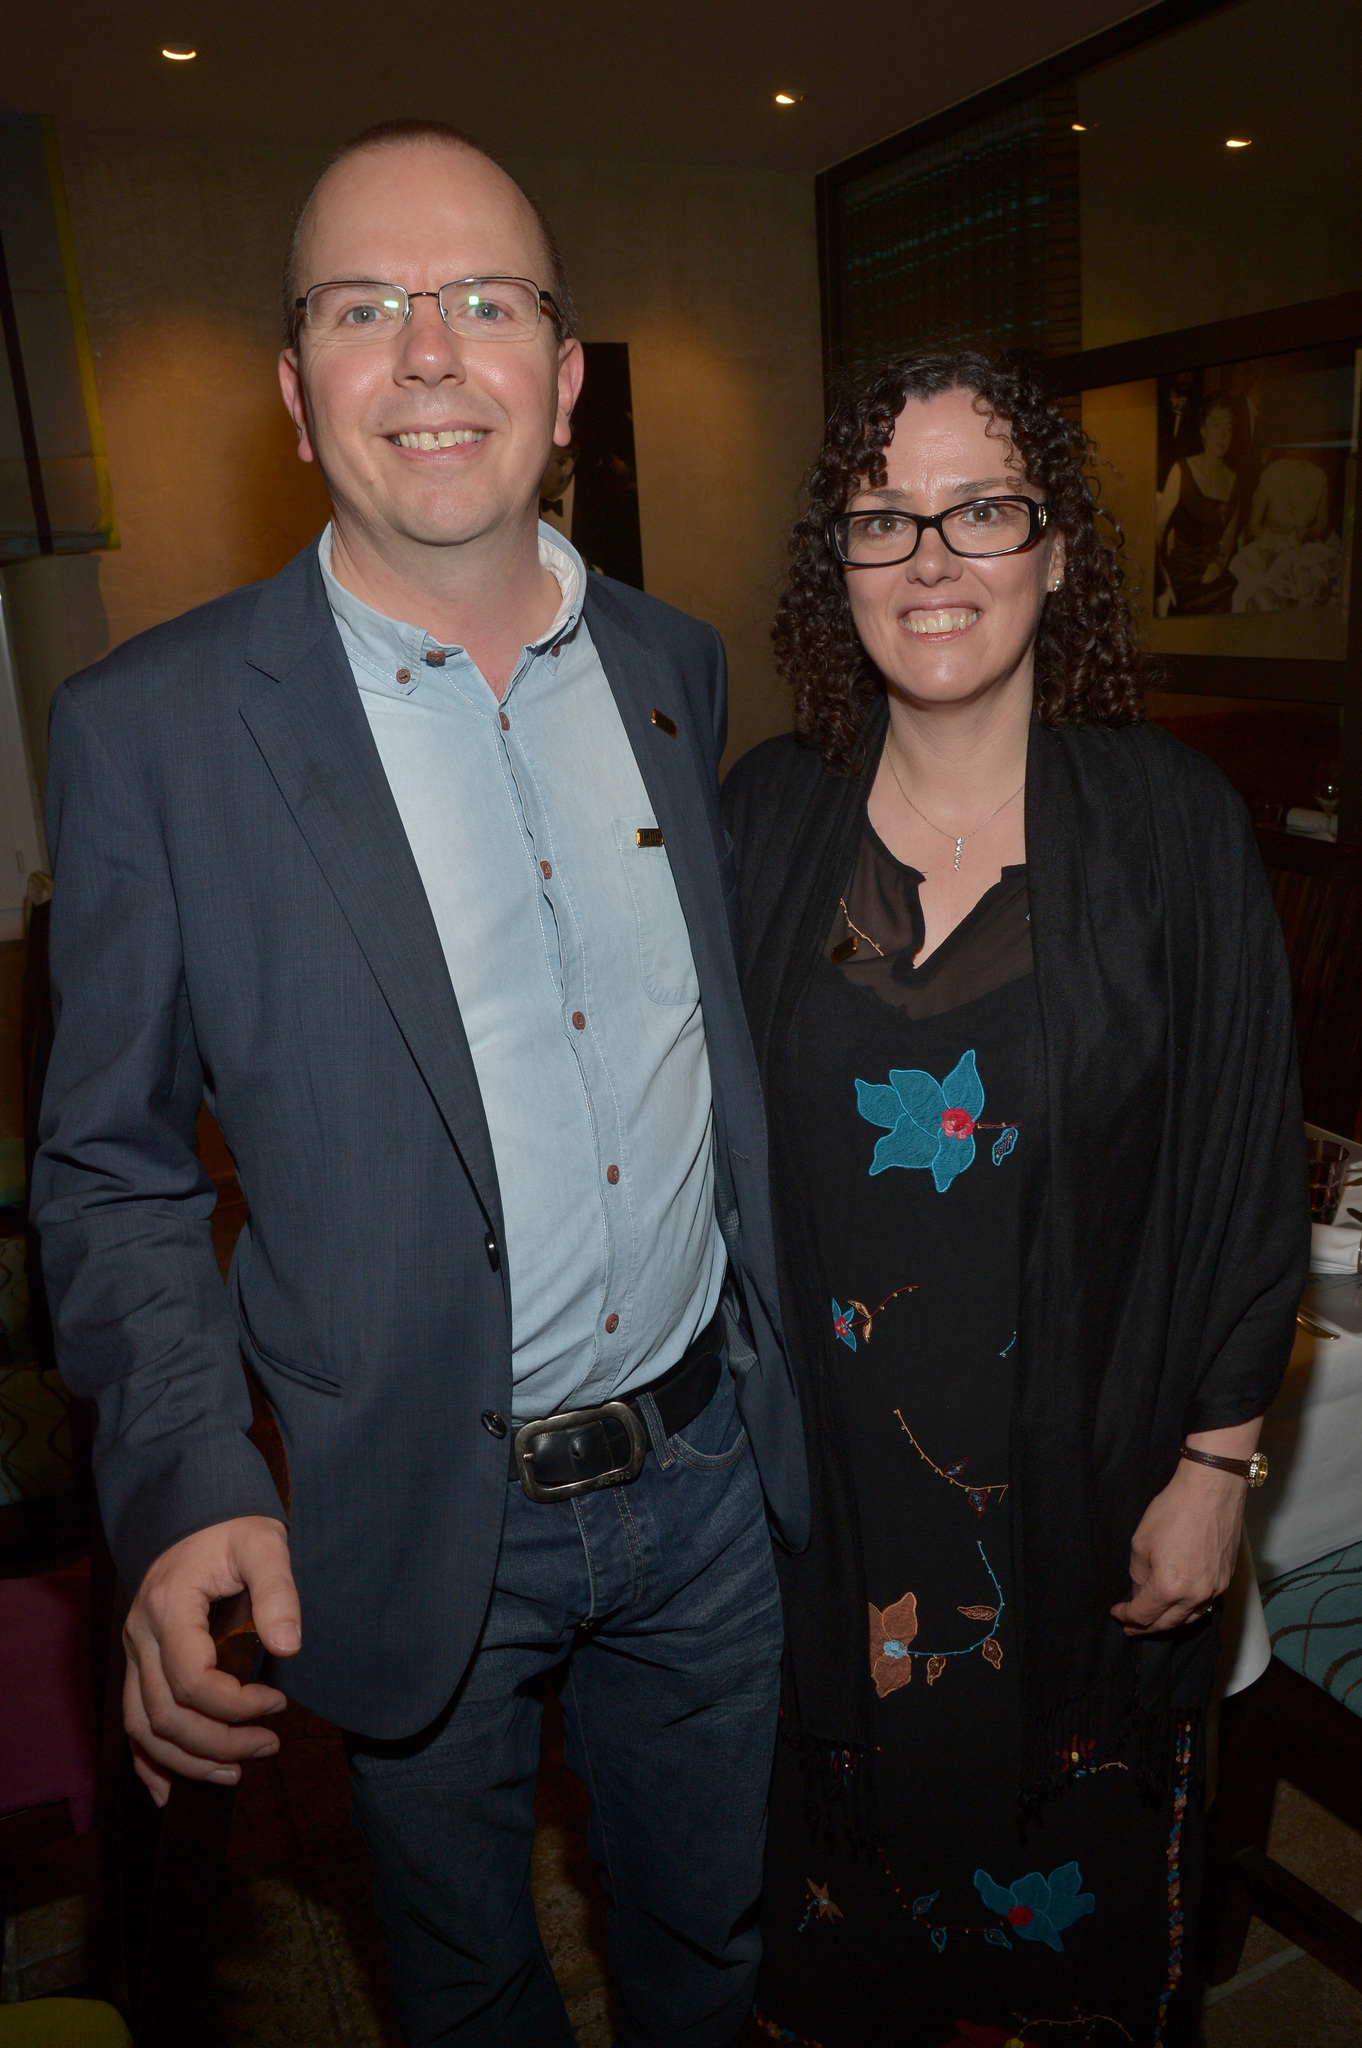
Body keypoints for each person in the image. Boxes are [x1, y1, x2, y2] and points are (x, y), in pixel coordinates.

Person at [32, 120, 807, 2047]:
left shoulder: (675, 666)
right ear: (299, 395)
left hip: (709, 1473)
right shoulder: (150, 732)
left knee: (712, 1944)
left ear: (561, 374)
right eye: (366, 308)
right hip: (403, 1508)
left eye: (484, 301)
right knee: (465, 1983)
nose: (432, 350)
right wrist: (188, 1474)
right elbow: (112, 1164)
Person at [722, 351, 1308, 2047]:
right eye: (883, 515)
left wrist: (1213, 1463)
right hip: (837, 1527)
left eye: (981, 507)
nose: (931, 556)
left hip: (1083, 1506)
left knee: (1069, 1963)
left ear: (1056, 550)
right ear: (834, 562)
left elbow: (1240, 1158)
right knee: (852, 1964)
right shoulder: (764, 818)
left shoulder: (1169, 824)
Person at [1154, 396, 1242, 616]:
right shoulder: (1181, 470)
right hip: (1180, 572)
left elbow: (1229, 539)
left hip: (1212, 571)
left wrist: (1220, 564)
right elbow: (1157, 531)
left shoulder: (1234, 482)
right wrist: (1162, 581)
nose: (1223, 435)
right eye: (1217, 425)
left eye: (1229, 428)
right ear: (1203, 430)